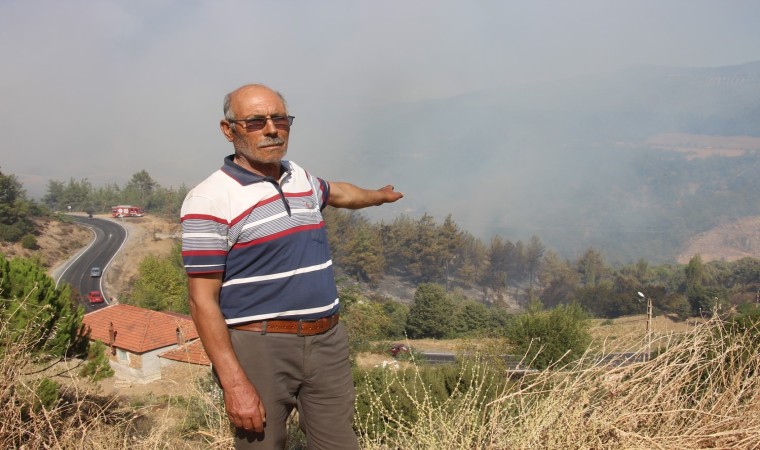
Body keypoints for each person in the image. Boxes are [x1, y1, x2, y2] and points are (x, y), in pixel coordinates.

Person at [180, 83, 403, 449]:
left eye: (279, 118)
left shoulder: (297, 177)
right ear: (228, 129)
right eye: (255, 122)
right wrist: (234, 384)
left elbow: (339, 193)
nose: (271, 129)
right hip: (259, 347)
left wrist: (378, 197)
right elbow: (201, 301)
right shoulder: (209, 199)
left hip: (327, 341)